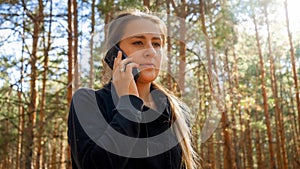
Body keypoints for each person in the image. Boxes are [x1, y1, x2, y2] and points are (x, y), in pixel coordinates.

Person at [68, 9, 197, 169]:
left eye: (156, 44)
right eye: (138, 42)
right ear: (115, 53)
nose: (150, 51)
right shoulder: (89, 102)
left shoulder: (178, 112)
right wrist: (128, 103)